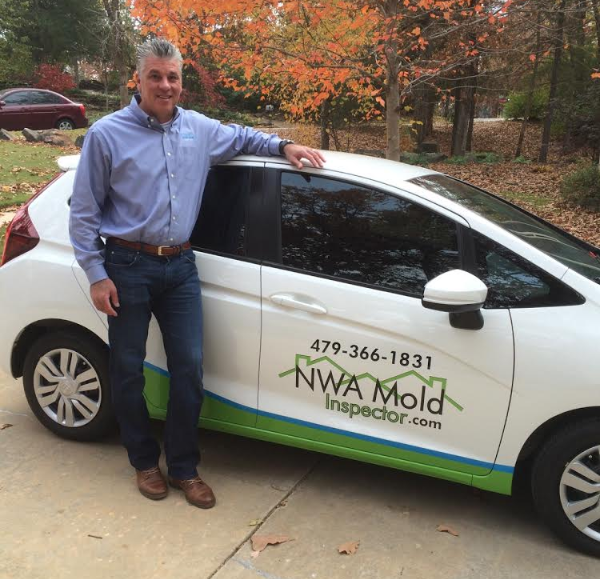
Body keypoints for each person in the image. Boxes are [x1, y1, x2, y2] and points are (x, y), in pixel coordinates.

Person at [69, 38, 325, 509]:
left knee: (188, 368)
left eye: (173, 77)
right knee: (126, 371)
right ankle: (144, 463)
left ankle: (184, 468)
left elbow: (247, 137)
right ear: (139, 79)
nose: (165, 85)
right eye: (156, 76)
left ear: (181, 82)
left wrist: (283, 143)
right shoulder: (108, 134)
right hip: (126, 265)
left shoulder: (200, 129)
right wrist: (96, 273)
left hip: (181, 266)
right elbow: (83, 212)